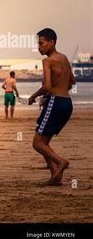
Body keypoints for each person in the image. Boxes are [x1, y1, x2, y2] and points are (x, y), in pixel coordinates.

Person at [28, 28, 74, 186]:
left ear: (52, 42)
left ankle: (61, 162)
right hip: (67, 103)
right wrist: (53, 95)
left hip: (55, 102)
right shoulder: (64, 58)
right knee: (44, 141)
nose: (39, 47)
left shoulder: (47, 61)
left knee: (37, 143)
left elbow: (47, 85)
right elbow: (71, 82)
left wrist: (34, 96)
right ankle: (56, 176)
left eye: (41, 43)